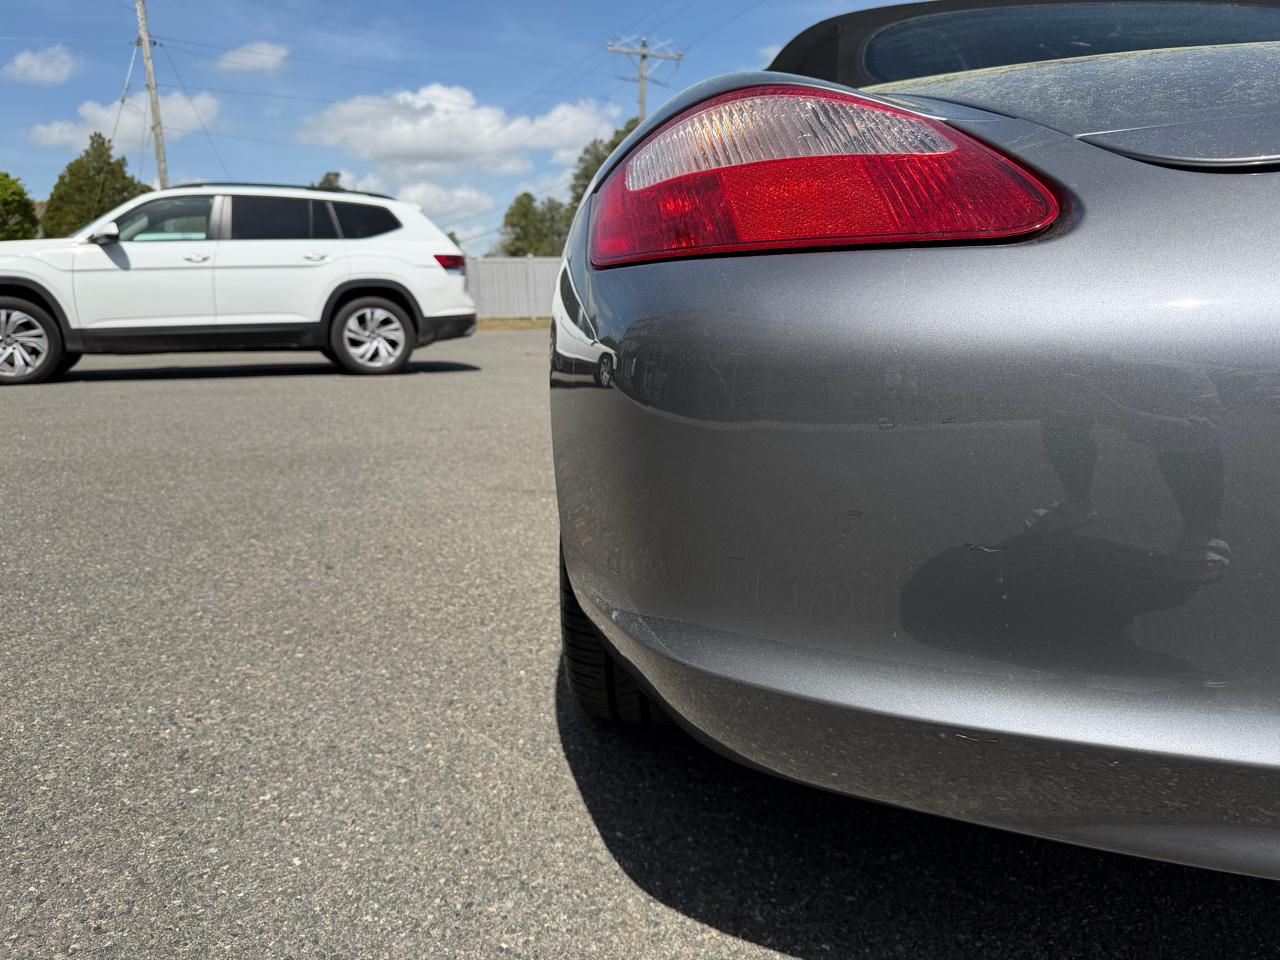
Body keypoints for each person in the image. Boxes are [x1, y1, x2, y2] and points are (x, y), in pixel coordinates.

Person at [1026, 362, 1229, 582]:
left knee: (1191, 441)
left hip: (1161, 371)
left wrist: (1110, 411)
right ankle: (1078, 501)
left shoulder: (1177, 367)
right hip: (1102, 361)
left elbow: (1201, 433)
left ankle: (1202, 529)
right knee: (1061, 414)